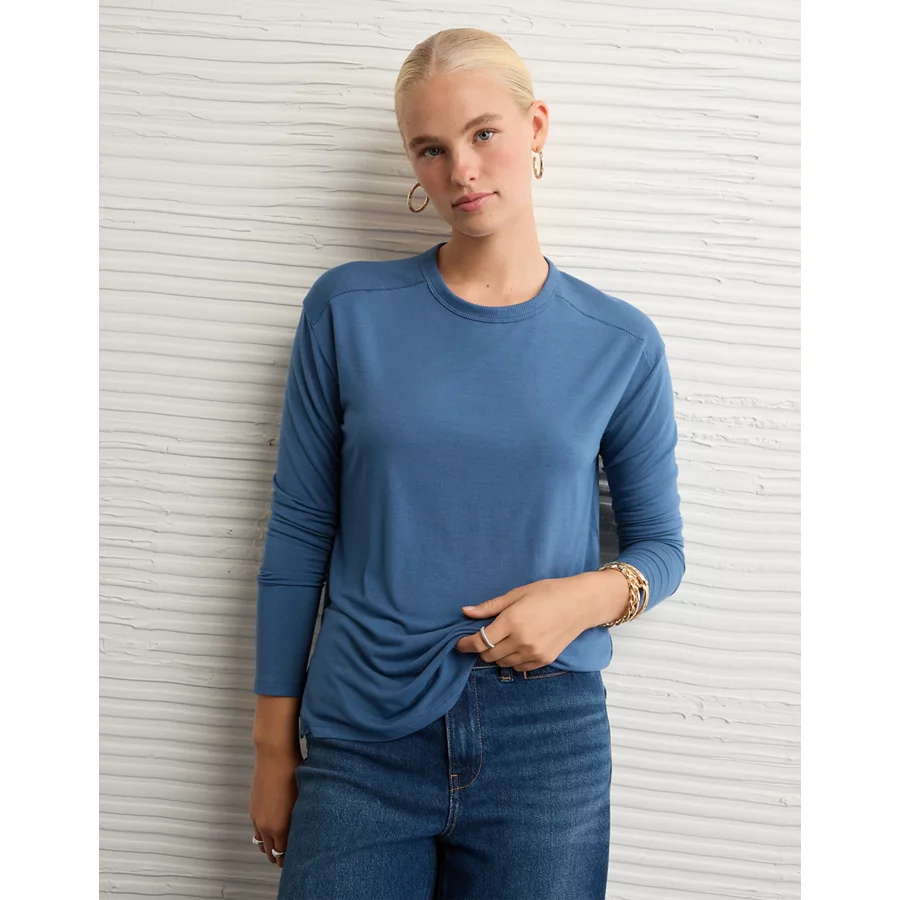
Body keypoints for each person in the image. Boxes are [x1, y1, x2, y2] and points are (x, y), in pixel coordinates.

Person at [248, 26, 685, 900]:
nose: (463, 170)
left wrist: (583, 600)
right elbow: (298, 534)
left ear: (537, 127)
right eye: (432, 149)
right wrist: (270, 749)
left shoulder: (619, 342)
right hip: (362, 735)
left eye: (484, 133)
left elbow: (660, 547)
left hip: (546, 740)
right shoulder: (347, 311)